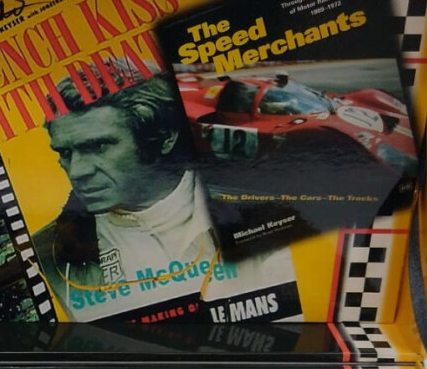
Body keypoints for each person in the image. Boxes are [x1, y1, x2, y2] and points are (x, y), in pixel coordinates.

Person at [31, 73, 298, 323]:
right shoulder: (45, 255)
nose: (77, 171)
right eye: (65, 153)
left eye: (99, 146)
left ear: (165, 138)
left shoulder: (261, 206)